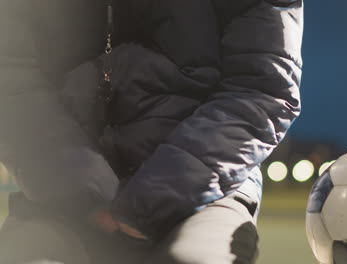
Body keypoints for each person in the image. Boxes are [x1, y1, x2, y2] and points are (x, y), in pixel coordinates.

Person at [0, 0, 304, 263]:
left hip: (203, 194)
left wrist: (149, 201)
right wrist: (86, 189)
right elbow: (12, 85)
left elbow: (261, 90)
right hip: (63, 195)